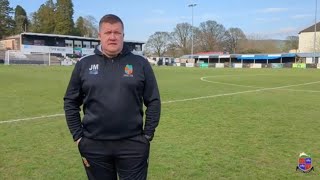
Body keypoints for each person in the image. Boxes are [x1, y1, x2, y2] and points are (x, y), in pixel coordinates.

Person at [64, 14, 161, 180]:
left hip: (133, 145)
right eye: (108, 32)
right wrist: (78, 136)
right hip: (94, 145)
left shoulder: (140, 63)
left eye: (117, 32)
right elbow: (70, 101)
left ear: (123, 35)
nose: (113, 37)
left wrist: (147, 135)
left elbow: (153, 101)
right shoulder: (84, 64)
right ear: (99, 36)